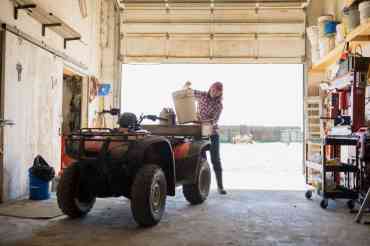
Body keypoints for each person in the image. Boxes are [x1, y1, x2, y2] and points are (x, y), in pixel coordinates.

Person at [188, 81, 227, 195]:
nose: (214, 93)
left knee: (215, 159)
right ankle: (202, 187)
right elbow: (188, 93)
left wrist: (206, 124)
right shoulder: (202, 95)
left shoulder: (219, 105)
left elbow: (214, 121)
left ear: (220, 93)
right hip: (198, 132)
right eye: (213, 90)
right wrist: (187, 87)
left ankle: (220, 186)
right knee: (200, 160)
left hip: (212, 132)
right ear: (210, 88)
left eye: (217, 92)